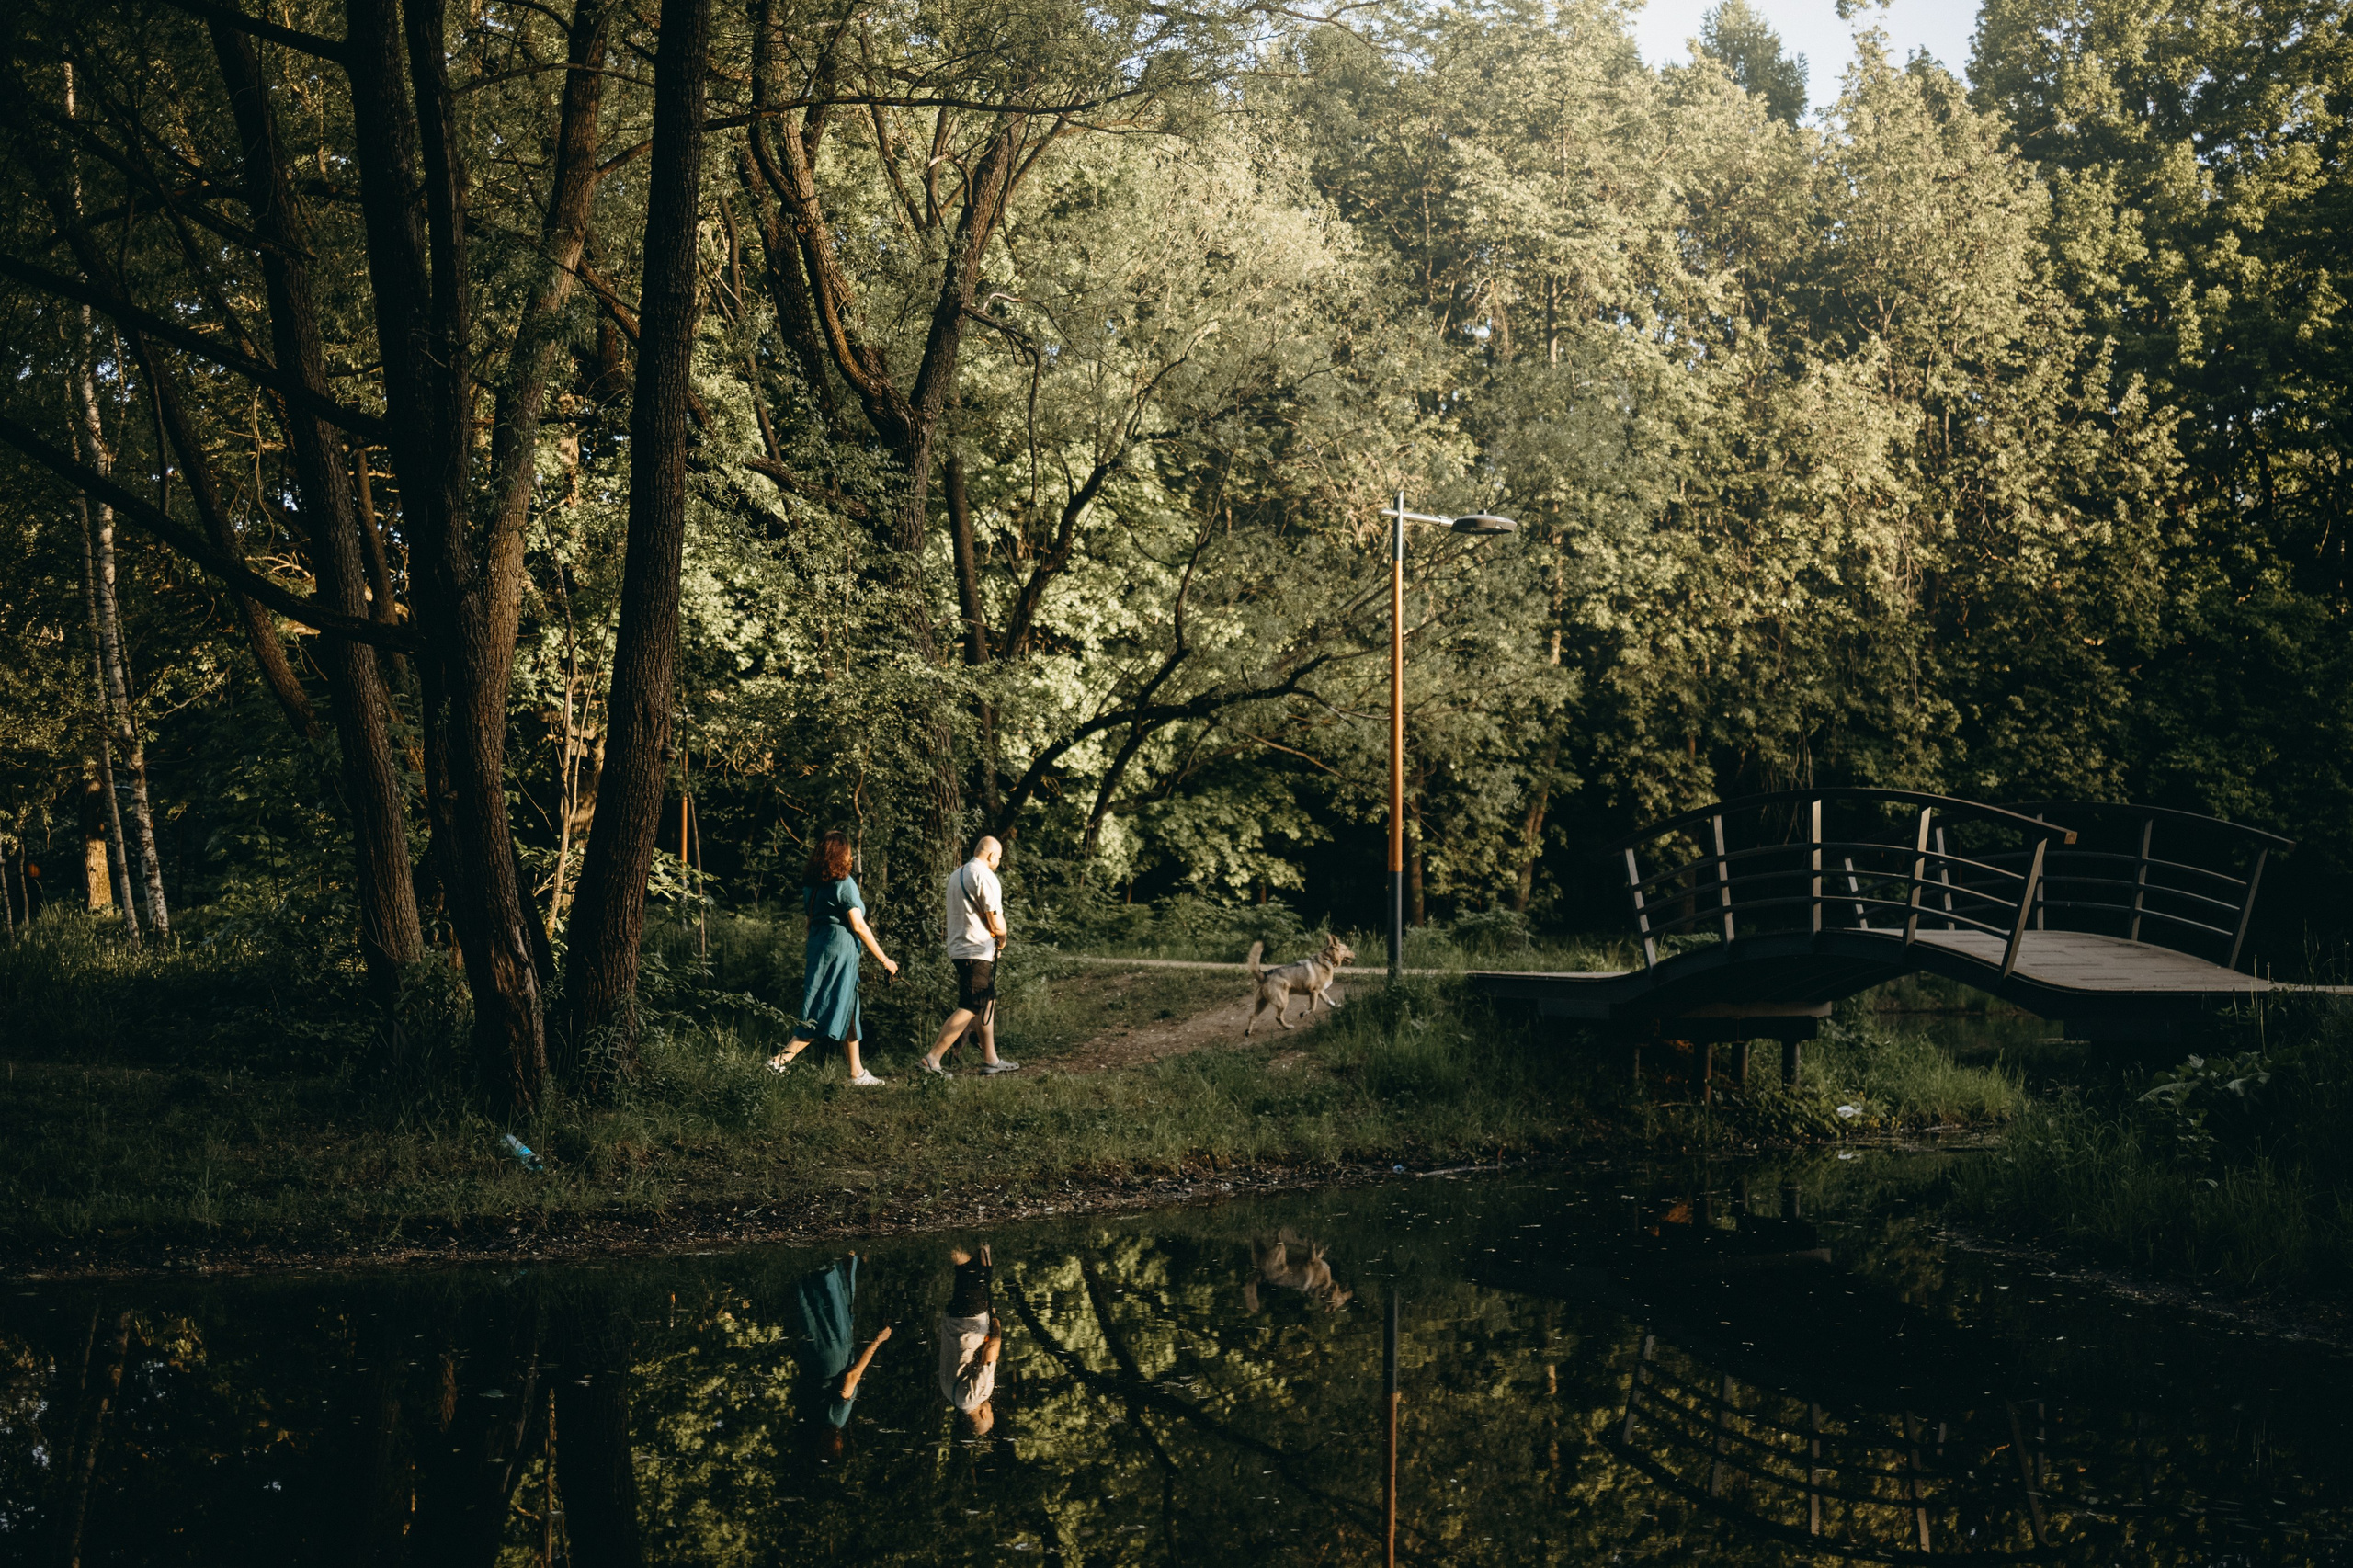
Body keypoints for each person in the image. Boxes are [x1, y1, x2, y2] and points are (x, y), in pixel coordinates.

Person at [770, 829, 898, 1085]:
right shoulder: (844, 884)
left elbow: (810, 923)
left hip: (820, 947)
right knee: (821, 1008)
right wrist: (885, 960)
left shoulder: (812, 886)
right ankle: (777, 1062)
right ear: (842, 855)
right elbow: (859, 926)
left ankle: (856, 1072)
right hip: (840, 950)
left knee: (848, 1005)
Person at [919, 835, 1017, 1076]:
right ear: (992, 855)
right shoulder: (985, 876)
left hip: (960, 947)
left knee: (987, 1001)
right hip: (976, 949)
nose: (998, 862)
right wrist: (1003, 938)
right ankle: (932, 1059)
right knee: (971, 1005)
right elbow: (996, 921)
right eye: (999, 858)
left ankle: (990, 1059)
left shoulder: (958, 873)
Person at [795, 1253, 891, 1446]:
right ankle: (811, 1265)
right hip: (812, 1362)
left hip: (833, 1360)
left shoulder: (837, 1420)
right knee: (818, 1313)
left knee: (836, 1310)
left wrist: (877, 1342)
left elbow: (852, 1377)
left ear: (836, 1442)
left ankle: (830, 1263)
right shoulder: (813, 1420)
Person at [936, 1243, 1002, 1437]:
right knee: (981, 1274)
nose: (991, 1410)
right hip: (954, 1321)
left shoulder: (978, 1395)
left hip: (970, 1322)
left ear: (983, 1414)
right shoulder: (950, 1395)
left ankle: (943, 1240)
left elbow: (991, 1350)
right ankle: (977, 1241)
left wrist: (997, 1327)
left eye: (990, 1414)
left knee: (972, 1272)